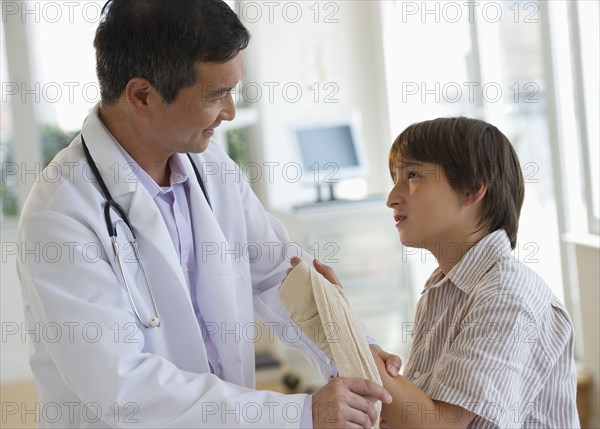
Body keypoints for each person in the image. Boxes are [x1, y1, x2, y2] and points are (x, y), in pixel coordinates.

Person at [16, 1, 399, 427]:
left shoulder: (210, 167)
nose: (230, 111)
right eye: (215, 95)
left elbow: (278, 273)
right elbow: (122, 386)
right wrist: (302, 414)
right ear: (141, 95)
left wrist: (355, 350)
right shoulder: (61, 213)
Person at [305, 117, 580, 428]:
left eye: (412, 175)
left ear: (472, 188)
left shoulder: (507, 295)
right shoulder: (442, 286)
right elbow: (412, 411)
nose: (391, 197)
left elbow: (438, 425)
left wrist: (343, 327)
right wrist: (340, 327)